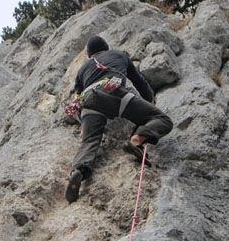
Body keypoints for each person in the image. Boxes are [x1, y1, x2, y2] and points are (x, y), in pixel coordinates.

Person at [65, 35, 173, 203]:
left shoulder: (82, 70)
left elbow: (77, 97)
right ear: (106, 49)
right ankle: (137, 139)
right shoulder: (119, 55)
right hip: (113, 92)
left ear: (89, 56)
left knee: (90, 140)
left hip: (89, 102)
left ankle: (78, 170)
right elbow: (139, 81)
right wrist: (149, 100)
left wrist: (82, 124)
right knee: (163, 119)